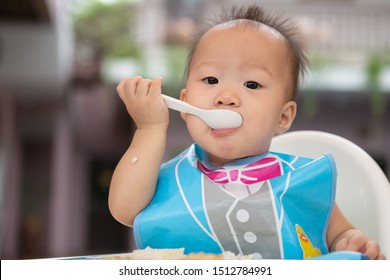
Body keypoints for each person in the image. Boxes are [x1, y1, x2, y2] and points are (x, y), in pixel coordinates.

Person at [108, 4, 385, 259]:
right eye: (211, 79)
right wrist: (150, 128)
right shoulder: (165, 181)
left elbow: (341, 236)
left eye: (251, 84)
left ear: (283, 116)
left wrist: (351, 242)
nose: (226, 96)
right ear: (185, 102)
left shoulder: (303, 180)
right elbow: (124, 209)